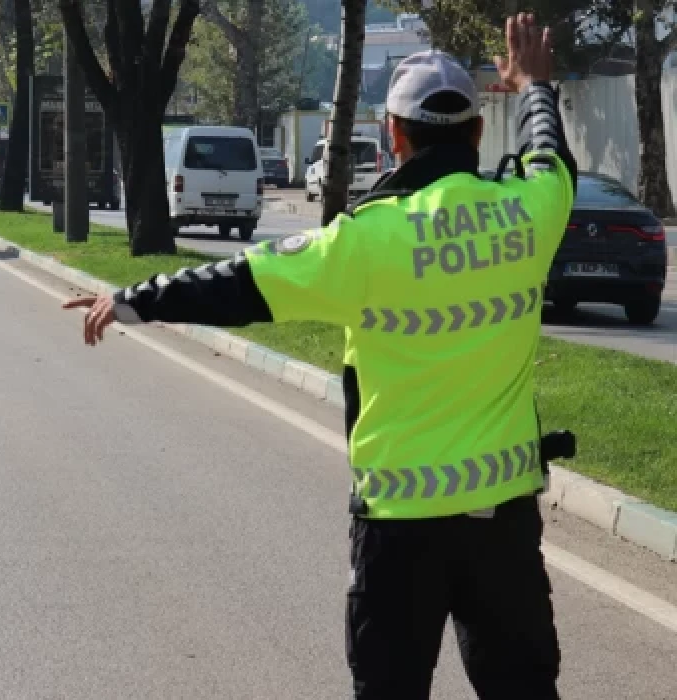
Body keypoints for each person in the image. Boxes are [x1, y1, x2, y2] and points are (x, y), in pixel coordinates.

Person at [63, 14, 576, 700]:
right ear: (479, 132)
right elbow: (550, 155)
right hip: (503, 525)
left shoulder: (363, 241)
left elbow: (237, 284)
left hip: (400, 530)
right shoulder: (528, 214)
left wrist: (132, 300)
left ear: (394, 135)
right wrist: (535, 85)